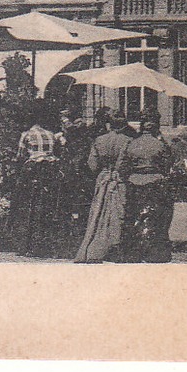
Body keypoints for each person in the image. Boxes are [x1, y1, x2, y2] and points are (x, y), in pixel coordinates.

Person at [74, 110, 133, 263]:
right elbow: (124, 164)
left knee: (98, 212)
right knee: (118, 212)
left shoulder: (99, 140)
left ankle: (96, 247)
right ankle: (115, 248)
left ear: (109, 125)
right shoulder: (128, 141)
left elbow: (92, 164)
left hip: (103, 178)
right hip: (119, 179)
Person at [120, 109, 177, 263]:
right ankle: (155, 253)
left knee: (133, 218)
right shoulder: (161, 145)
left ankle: (133, 252)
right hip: (155, 183)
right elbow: (167, 165)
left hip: (134, 183)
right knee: (158, 218)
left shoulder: (131, 144)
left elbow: (123, 166)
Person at [10, 111, 64, 257]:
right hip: (50, 171)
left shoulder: (26, 135)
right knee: (48, 206)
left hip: (33, 171)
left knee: (26, 205)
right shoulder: (51, 134)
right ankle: (46, 244)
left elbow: (20, 156)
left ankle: (27, 244)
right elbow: (57, 153)